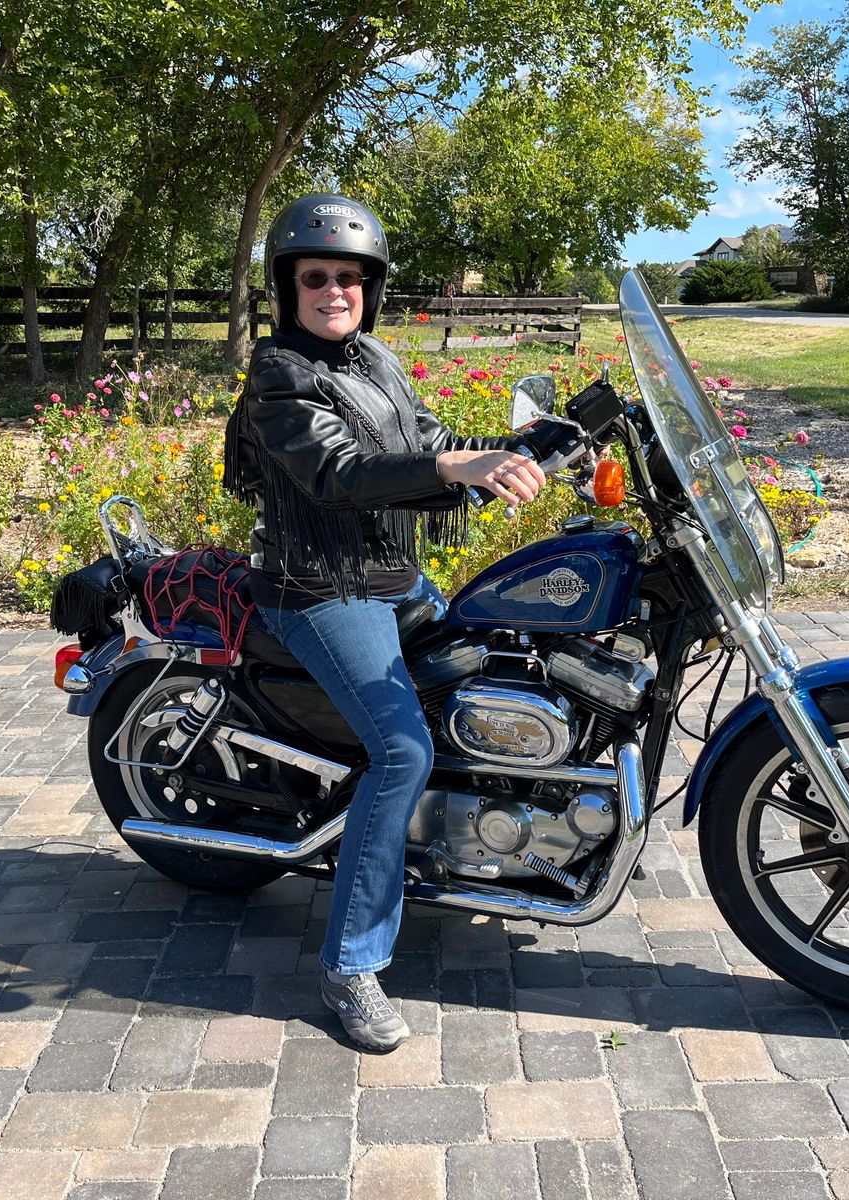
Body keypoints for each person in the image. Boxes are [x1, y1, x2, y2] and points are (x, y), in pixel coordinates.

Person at [222, 194, 544, 1051]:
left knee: (503, 662)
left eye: (350, 277)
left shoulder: (376, 360)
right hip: (319, 590)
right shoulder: (279, 375)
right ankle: (350, 965)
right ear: (287, 287)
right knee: (403, 749)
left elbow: (429, 439)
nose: (335, 290)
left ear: (372, 289)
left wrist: (530, 447)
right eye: (316, 277)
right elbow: (341, 473)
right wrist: (456, 467)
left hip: (393, 577)